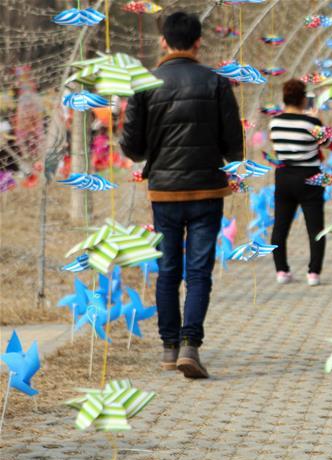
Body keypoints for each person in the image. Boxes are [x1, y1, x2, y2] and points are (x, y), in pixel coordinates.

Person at [121, 11, 242, 379]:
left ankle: (169, 348)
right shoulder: (217, 83)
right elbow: (234, 145)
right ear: (198, 42)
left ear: (163, 42)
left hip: (165, 194)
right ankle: (192, 344)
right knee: (199, 271)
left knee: (167, 270)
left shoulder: (145, 84)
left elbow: (132, 146)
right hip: (207, 190)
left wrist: (152, 154)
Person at [269, 78, 329, 286]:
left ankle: (281, 270)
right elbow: (327, 142)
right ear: (304, 99)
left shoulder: (274, 122)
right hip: (310, 176)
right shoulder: (311, 123)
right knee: (315, 227)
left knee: (280, 226)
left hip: (284, 177)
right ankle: (313, 273)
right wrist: (318, 119)